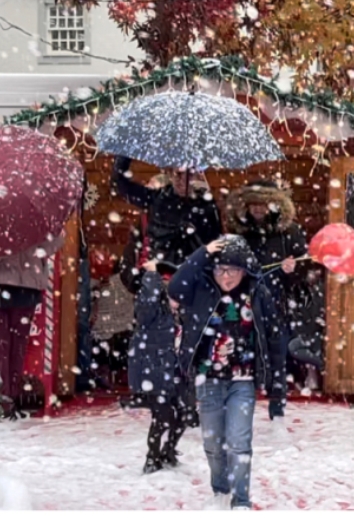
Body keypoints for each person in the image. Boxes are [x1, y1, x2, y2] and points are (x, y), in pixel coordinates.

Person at [169, 236, 287, 510]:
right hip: (207, 378)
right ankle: (220, 490)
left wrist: (276, 387)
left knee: (239, 441)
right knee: (212, 442)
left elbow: (274, 339)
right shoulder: (200, 288)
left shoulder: (257, 294)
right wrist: (202, 253)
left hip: (242, 381)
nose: (227, 276)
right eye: (221, 269)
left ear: (244, 270)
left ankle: (241, 500)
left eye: (233, 270)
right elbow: (175, 287)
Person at [227, 180, 309, 382]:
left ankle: (275, 376)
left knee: (276, 338)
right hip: (243, 294)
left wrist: (293, 268)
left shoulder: (289, 231)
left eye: (262, 204)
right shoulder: (239, 231)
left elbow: (304, 264)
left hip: (279, 295)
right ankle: (250, 374)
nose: (257, 208)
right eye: (253, 203)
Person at [0, 243, 57, 417]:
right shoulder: (35, 217)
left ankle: (0, 400)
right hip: (27, 280)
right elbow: (52, 244)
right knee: (18, 346)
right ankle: (10, 399)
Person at [131, 259, 189, 474]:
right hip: (154, 372)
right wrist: (152, 275)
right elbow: (147, 302)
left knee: (185, 414)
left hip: (173, 373)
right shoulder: (153, 312)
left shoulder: (179, 314)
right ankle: (152, 458)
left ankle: (168, 451)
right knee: (163, 416)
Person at [111, 157, 223, 268]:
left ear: (198, 176)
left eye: (189, 175)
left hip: (189, 275)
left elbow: (214, 248)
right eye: (178, 174)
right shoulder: (157, 198)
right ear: (170, 173)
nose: (182, 180)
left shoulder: (206, 208)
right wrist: (125, 155)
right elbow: (119, 183)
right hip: (157, 273)